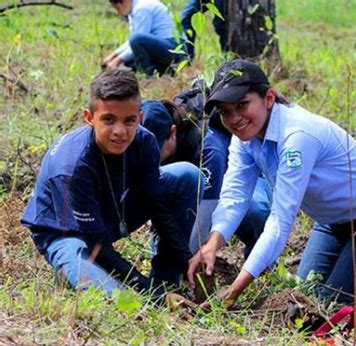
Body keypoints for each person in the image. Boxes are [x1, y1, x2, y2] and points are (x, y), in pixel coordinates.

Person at [187, 59, 356, 307]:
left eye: (242, 105)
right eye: (225, 111)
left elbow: (279, 221)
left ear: (269, 98)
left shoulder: (297, 136)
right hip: (333, 223)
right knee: (306, 292)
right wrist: (212, 244)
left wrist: (235, 290)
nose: (235, 118)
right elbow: (235, 196)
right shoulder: (244, 139)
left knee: (327, 306)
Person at [21, 69, 201, 298]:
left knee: (187, 175)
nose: (120, 132)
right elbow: (98, 245)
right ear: (89, 118)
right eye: (108, 120)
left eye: (129, 120)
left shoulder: (144, 139)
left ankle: (168, 280)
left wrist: (187, 262)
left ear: (140, 118)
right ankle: (73, 269)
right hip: (67, 233)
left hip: (110, 211)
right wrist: (153, 295)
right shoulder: (73, 167)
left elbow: (157, 205)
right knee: (114, 295)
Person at [140, 90, 272, 258]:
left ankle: (259, 258)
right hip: (192, 191)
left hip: (236, 182)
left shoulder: (207, 148)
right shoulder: (141, 141)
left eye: (155, 152)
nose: (150, 158)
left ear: (172, 134)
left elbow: (206, 212)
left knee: (254, 210)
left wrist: (188, 259)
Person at [103, 0, 184, 77]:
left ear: (125, 1)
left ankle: (149, 75)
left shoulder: (142, 9)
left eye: (118, 8)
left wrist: (117, 61)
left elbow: (137, 40)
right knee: (128, 63)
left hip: (175, 48)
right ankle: (163, 71)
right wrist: (112, 56)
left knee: (136, 41)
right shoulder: (133, 10)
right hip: (162, 48)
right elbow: (131, 42)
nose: (118, 12)